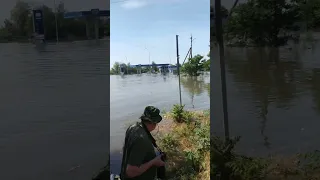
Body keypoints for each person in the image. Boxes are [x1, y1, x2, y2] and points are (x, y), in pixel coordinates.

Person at [120, 106, 165, 180]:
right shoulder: (142, 139)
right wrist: (154, 162)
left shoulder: (132, 127)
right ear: (154, 123)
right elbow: (130, 172)